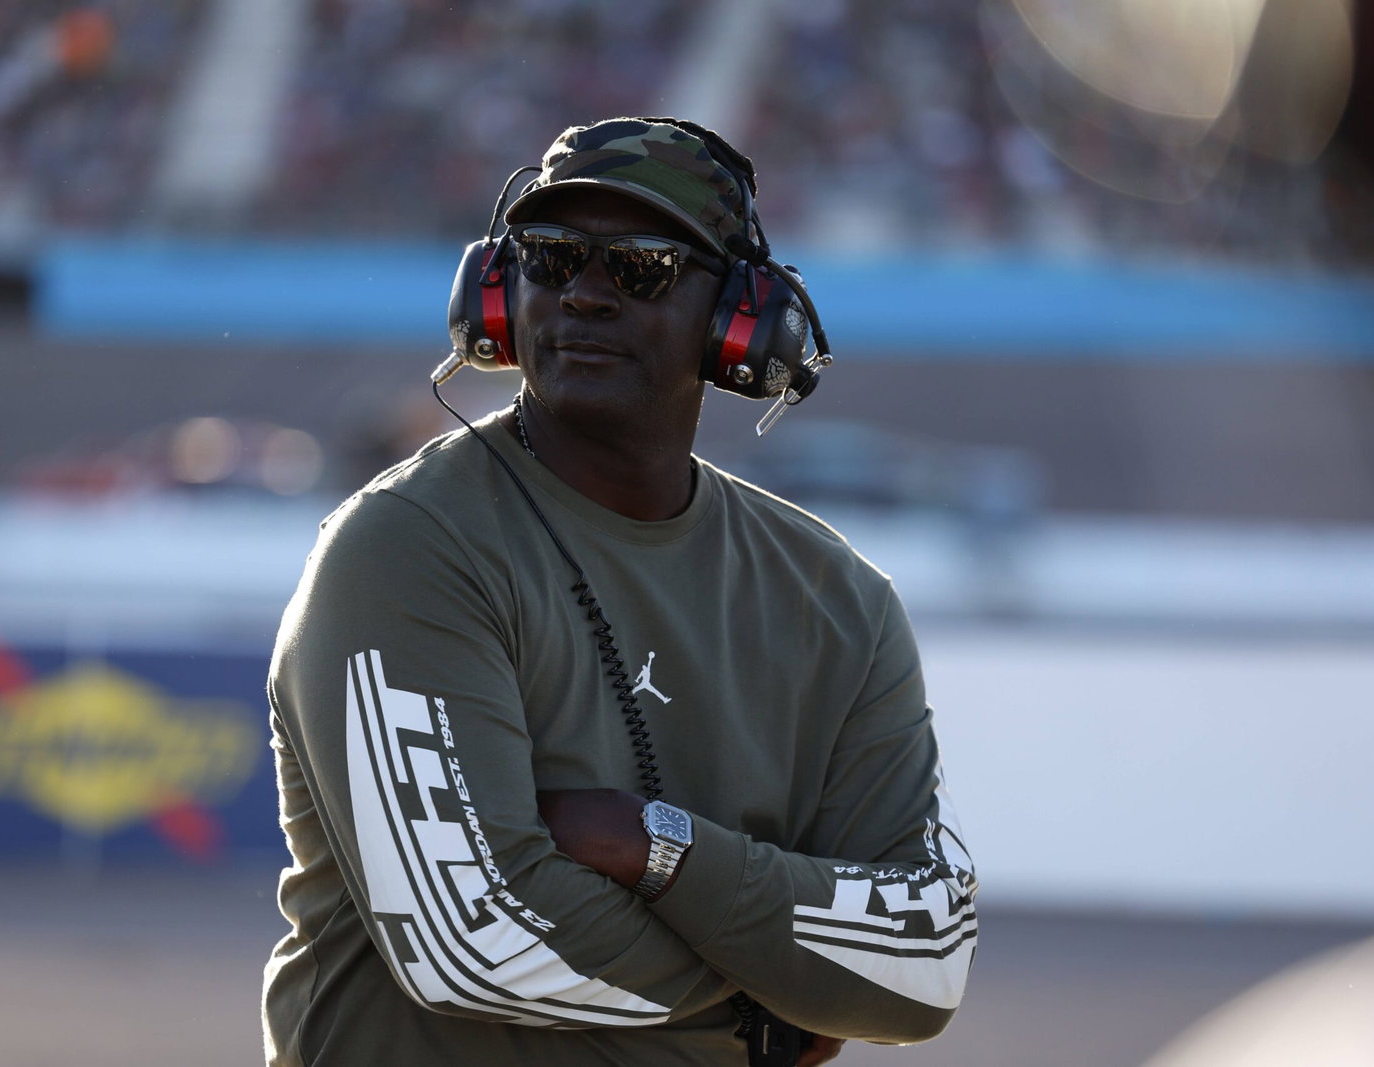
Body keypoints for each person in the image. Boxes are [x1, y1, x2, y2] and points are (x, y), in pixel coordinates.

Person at [263, 117, 978, 1066]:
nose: (585, 294)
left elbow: (924, 960)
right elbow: (474, 941)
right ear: (499, 293)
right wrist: (776, 998)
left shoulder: (839, 599)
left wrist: (659, 847)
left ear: (738, 320)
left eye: (642, 267)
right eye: (551, 257)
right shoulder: (404, 548)